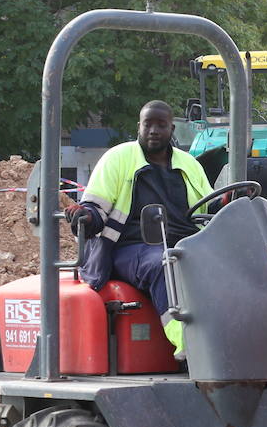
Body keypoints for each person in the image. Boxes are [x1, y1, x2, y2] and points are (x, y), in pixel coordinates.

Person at [66, 100, 214, 358]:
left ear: (172, 130)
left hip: (185, 244)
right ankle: (190, 345)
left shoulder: (189, 165)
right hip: (128, 247)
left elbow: (210, 209)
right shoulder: (118, 159)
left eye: (161, 125)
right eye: (148, 124)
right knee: (165, 263)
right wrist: (85, 216)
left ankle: (230, 334)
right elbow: (95, 207)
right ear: (139, 127)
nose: (154, 130)